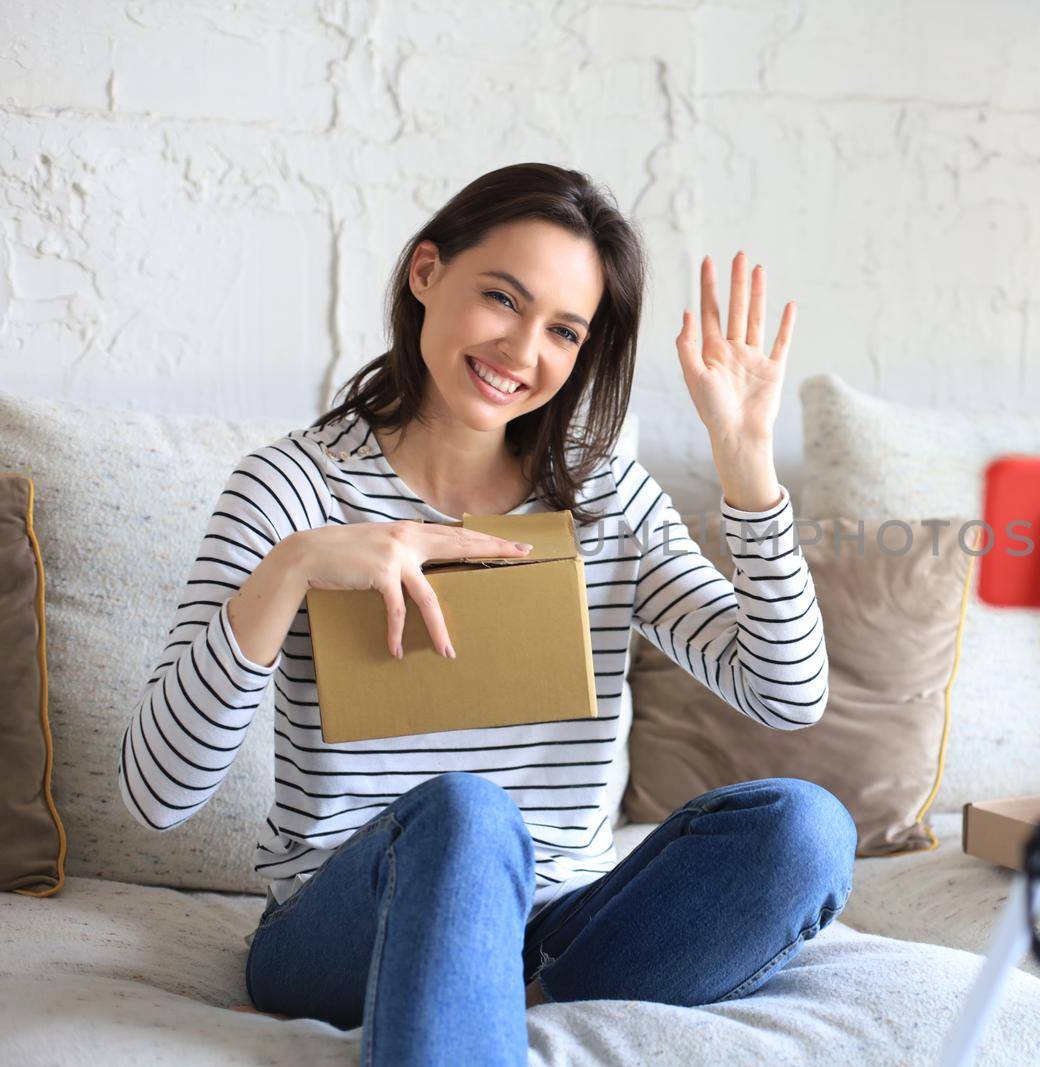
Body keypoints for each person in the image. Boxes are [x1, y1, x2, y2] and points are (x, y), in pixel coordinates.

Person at [117, 163, 854, 1065]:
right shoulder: (292, 489)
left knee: (803, 827)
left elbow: (789, 694)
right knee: (469, 815)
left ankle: (510, 997)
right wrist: (296, 567)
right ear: (426, 272)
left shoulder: (605, 498)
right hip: (345, 928)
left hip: (557, 926)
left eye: (563, 331)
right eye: (502, 297)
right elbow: (157, 795)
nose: (520, 350)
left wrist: (746, 465)